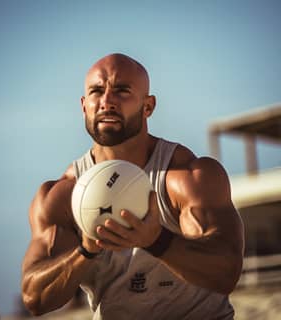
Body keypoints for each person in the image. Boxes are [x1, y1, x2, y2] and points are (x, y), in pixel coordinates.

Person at [21, 53, 245, 319]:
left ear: (148, 106)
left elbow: (226, 274)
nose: (106, 102)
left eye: (122, 91)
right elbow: (35, 299)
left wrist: (157, 241)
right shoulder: (63, 195)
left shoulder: (187, 177)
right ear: (84, 106)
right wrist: (85, 251)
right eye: (96, 92)